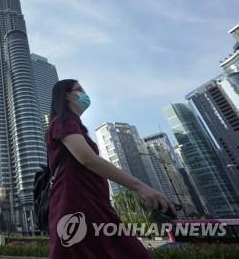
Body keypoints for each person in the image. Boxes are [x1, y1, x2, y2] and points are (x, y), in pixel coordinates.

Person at [47, 79, 176, 258]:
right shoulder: (63, 122)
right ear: (67, 96)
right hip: (77, 203)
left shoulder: (75, 125)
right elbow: (87, 159)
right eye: (80, 90)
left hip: (93, 202)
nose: (85, 94)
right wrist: (139, 187)